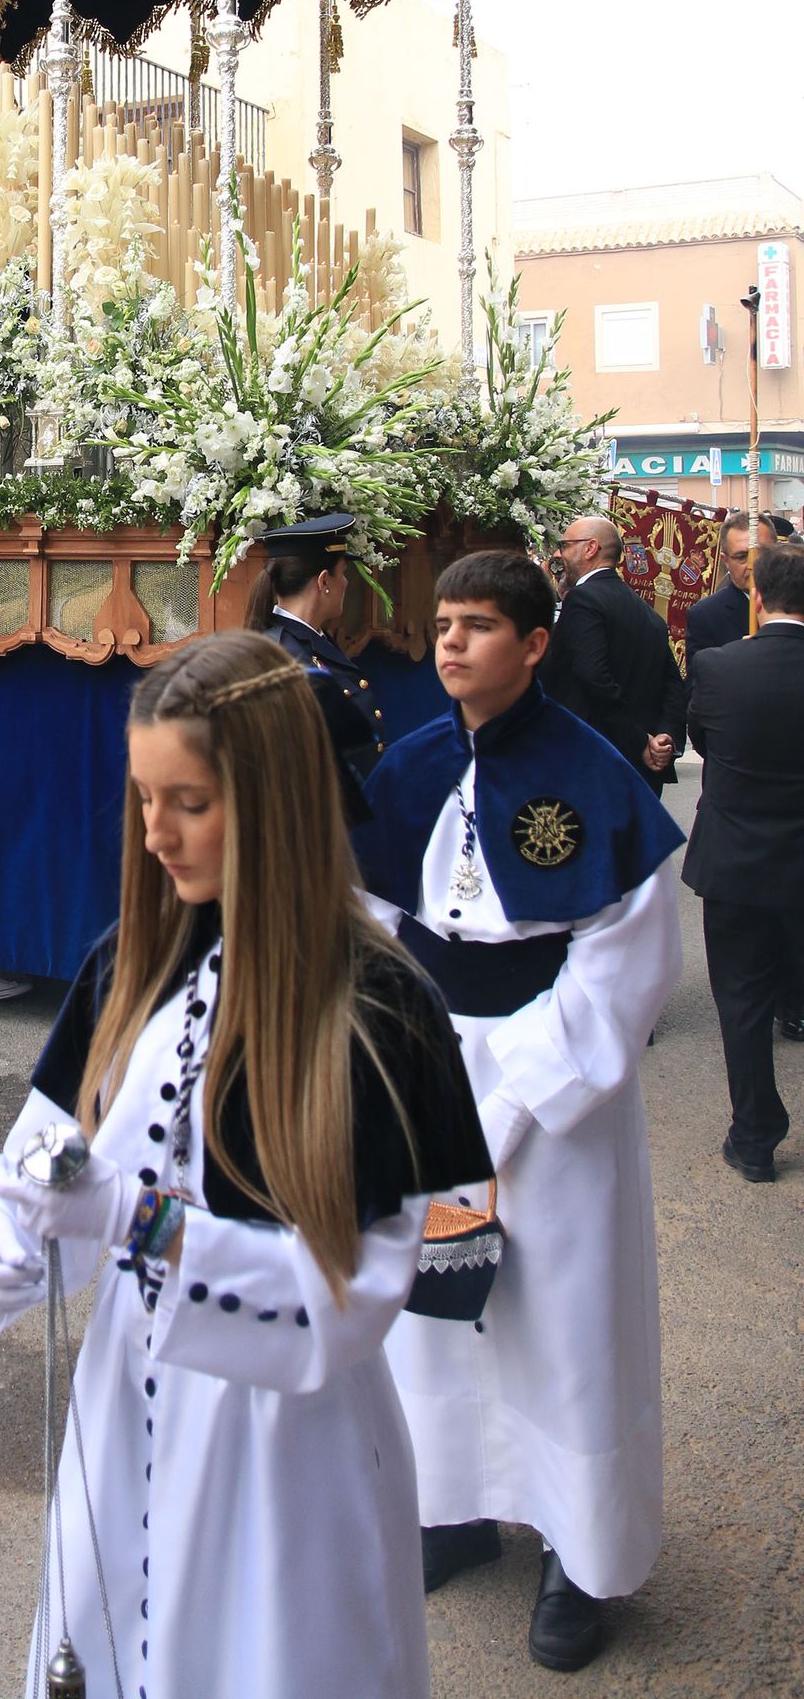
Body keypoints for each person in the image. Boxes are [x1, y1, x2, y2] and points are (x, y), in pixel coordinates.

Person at [0, 631, 489, 1699]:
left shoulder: (375, 1010)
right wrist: (6, 1239)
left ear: (275, 798)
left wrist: (139, 1226)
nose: (154, 835)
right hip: (122, 1411)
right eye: (143, 798)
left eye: (189, 802)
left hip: (283, 1457)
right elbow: (38, 1160)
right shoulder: (127, 965)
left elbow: (350, 1305)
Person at [353, 550, 684, 1673]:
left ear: (534, 645)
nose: (449, 643)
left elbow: (624, 966)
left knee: (562, 1330)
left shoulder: (594, 779)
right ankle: (449, 1510)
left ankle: (577, 1556)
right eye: (442, 624)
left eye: (477, 625)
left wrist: (515, 1092)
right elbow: (367, 923)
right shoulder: (402, 771)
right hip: (426, 1066)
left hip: (556, 1107)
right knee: (432, 1317)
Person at [684, 538, 804, 1179]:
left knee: (743, 1001)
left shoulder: (720, 667)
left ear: (757, 597)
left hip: (737, 861)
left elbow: (703, 737)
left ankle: (755, 1137)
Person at [542, 513, 686, 790]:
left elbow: (593, 676)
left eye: (566, 545)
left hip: (598, 761)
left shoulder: (584, 601)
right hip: (645, 770)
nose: (560, 553)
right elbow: (673, 683)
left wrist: (641, 741)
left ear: (590, 548)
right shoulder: (647, 612)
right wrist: (664, 738)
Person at [243, 512, 385, 772]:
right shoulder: (285, 655)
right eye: (343, 572)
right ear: (323, 581)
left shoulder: (310, 640)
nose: (346, 582)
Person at [684, 514, 776, 665]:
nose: (753, 564)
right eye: (742, 556)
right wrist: (735, 658)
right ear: (725, 560)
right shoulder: (706, 615)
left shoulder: (797, 602)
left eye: (762, 553)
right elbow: (697, 683)